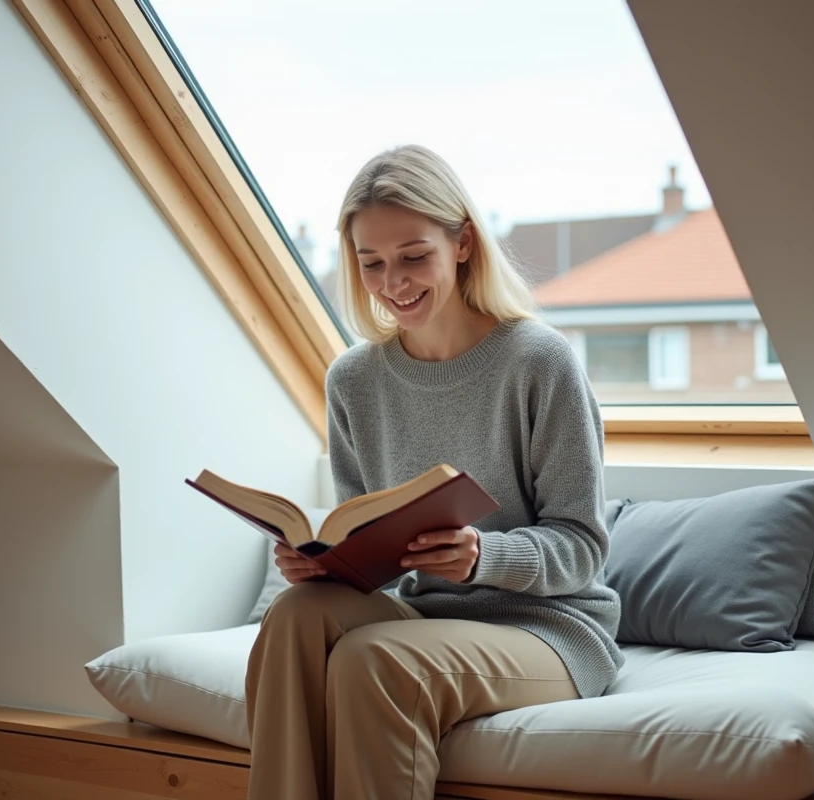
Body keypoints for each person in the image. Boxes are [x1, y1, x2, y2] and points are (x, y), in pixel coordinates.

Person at [245, 145, 622, 800]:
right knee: (294, 616)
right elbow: (366, 538)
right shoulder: (354, 380)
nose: (393, 282)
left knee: (373, 662)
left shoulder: (538, 361)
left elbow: (583, 547)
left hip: (546, 631)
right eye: (371, 263)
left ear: (464, 243)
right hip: (422, 616)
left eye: (413, 256)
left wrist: (481, 556)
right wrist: (324, 562)